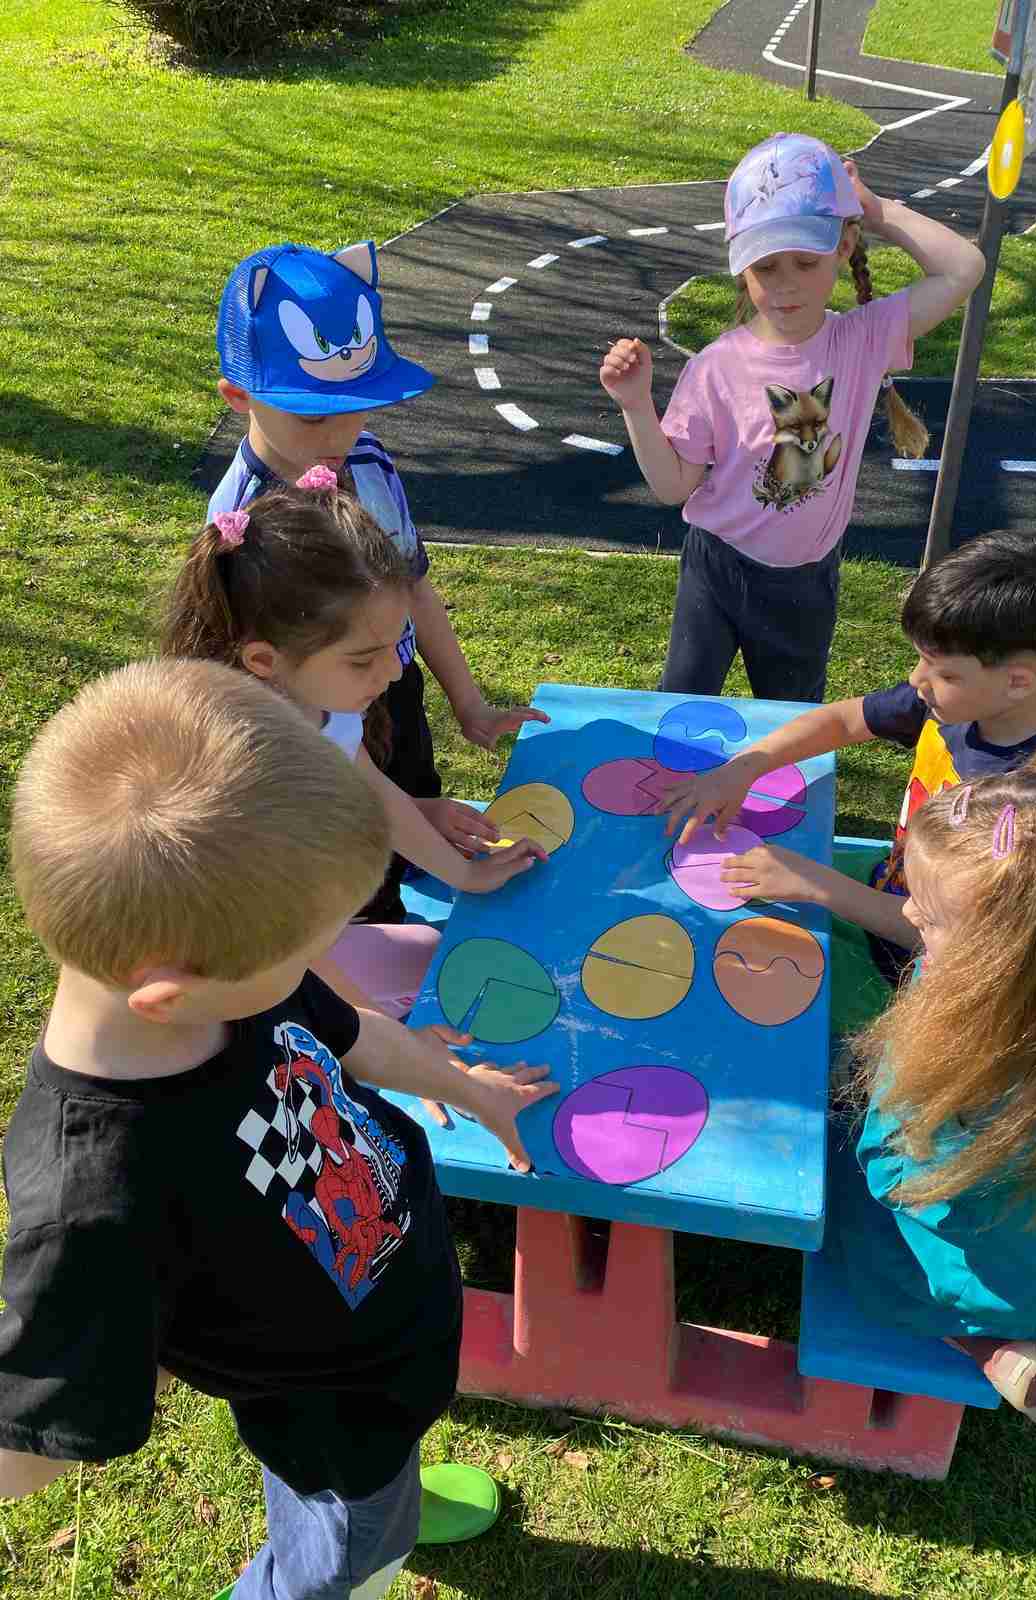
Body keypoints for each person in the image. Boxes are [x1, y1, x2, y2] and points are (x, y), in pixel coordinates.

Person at [0, 659, 558, 1599]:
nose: (314, 971)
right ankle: (364, 1536)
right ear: (170, 991)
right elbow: (31, 1437)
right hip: (331, 1422)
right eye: (304, 953)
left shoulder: (225, 972)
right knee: (343, 1561)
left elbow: (355, 1033)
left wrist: (471, 1089)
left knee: (377, 1496)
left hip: (386, 1340)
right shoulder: (98, 1197)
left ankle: (393, 1496)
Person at [827, 741, 1036, 1428]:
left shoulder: (980, 1069)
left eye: (930, 915)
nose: (911, 917)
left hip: (971, 1283)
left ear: (1003, 954)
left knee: (839, 1182)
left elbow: (894, 1179)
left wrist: (868, 1096)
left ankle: (989, 1348)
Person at [210, 237, 549, 915]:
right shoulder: (240, 523)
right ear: (238, 396)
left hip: (387, 694)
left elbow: (413, 587)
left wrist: (466, 705)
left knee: (406, 836)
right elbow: (317, 748)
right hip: (304, 735)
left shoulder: (368, 462)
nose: (340, 435)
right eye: (314, 413)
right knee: (356, 891)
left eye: (358, 404)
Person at [599, 132, 984, 704]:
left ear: (844, 246)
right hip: (716, 568)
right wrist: (636, 405)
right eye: (765, 267)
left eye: (806, 261)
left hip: (806, 583)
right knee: (680, 708)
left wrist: (876, 209)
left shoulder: (863, 340)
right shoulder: (715, 367)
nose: (786, 284)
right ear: (743, 269)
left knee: (791, 720)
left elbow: (964, 267)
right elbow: (673, 486)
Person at [661, 531, 1036, 1033]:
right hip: (887, 885)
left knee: (728, 990)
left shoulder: (1025, 807)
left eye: (942, 672)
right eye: (921, 658)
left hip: (906, 973)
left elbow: (952, 936)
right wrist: (744, 767)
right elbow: (844, 721)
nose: (916, 681)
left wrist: (812, 883)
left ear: (1018, 681)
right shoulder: (970, 702)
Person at [162, 477, 545, 1023]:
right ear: (265, 661)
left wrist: (465, 875)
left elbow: (371, 788)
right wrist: (382, 1036)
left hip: (313, 943)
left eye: (394, 645)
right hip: (240, 988)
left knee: (446, 962)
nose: (393, 672)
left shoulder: (323, 707)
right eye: (364, 659)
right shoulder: (247, 776)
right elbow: (286, 954)